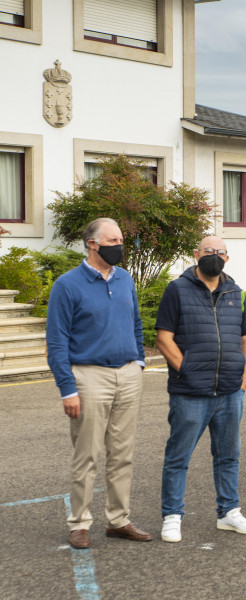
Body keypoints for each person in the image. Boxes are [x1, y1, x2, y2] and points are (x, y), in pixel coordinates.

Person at [46, 217, 151, 549]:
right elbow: (57, 342)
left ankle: (118, 520)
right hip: (88, 376)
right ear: (92, 244)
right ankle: (79, 523)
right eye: (113, 239)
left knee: (123, 454)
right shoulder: (67, 284)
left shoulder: (124, 279)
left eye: (121, 239)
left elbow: (135, 322)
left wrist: (139, 361)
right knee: (87, 454)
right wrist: (68, 388)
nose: (120, 245)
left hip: (127, 375)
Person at [154, 236, 246, 542]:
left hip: (230, 392)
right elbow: (163, 338)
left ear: (228, 257)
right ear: (196, 254)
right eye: (209, 251)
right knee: (178, 456)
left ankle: (228, 512)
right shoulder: (177, 289)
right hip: (190, 393)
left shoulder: (235, 292)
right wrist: (185, 370)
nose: (214, 256)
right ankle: (172, 516)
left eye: (220, 252)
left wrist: (244, 377)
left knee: (228, 456)